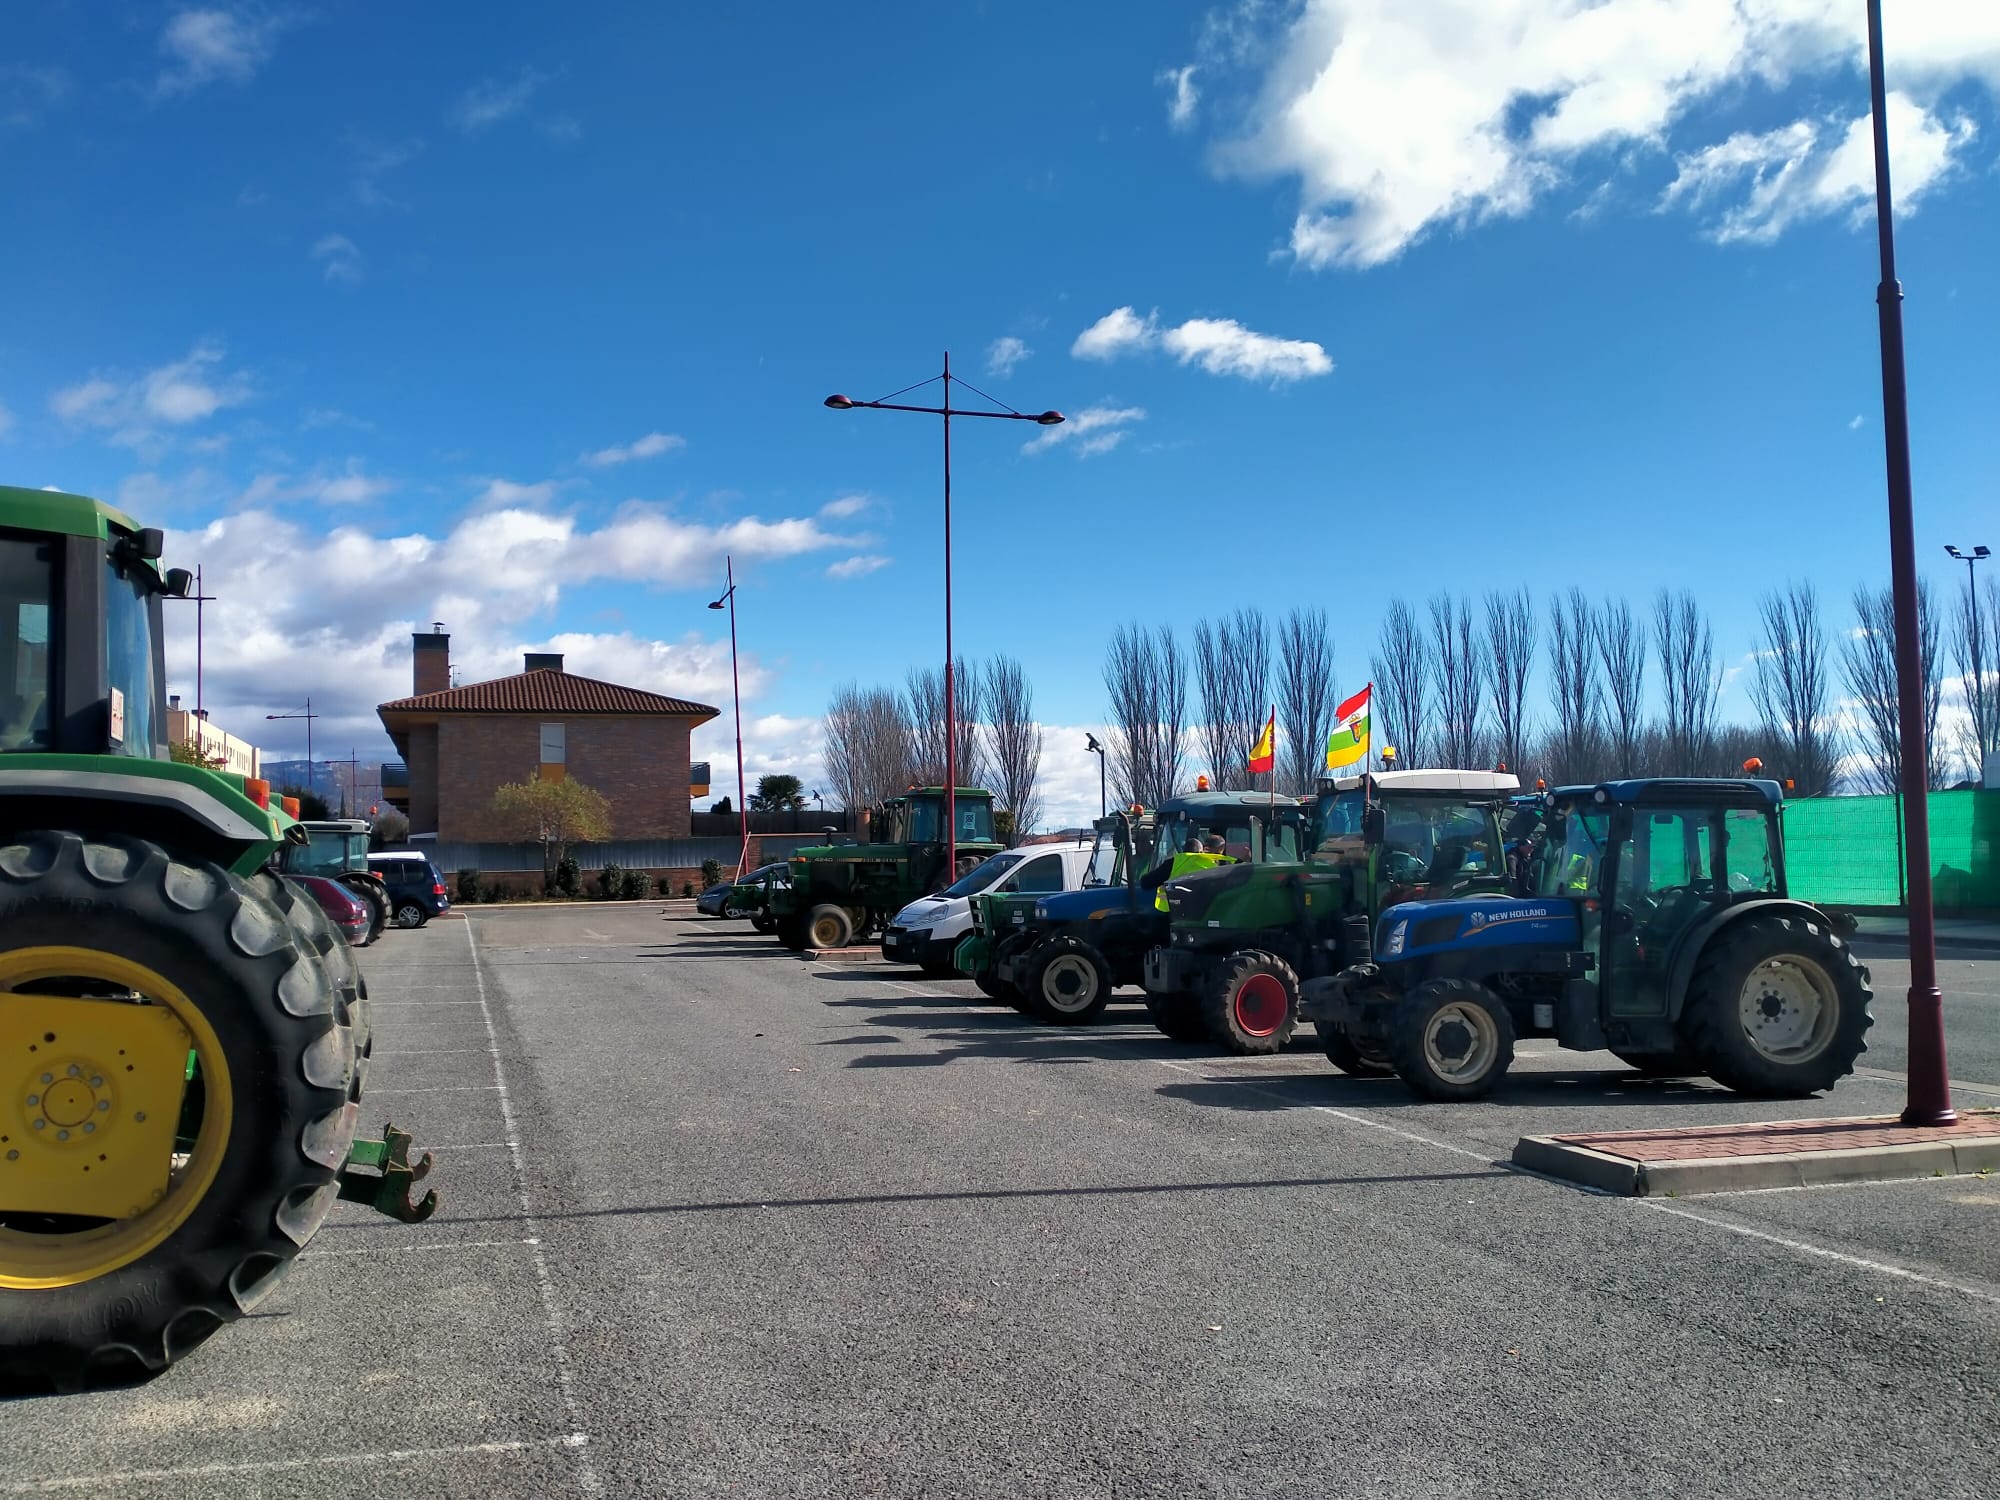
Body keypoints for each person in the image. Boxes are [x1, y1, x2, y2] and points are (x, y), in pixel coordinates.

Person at [1141, 831, 1238, 912]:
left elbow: (1145, 883)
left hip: (1175, 912)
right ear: (1202, 851)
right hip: (1203, 914)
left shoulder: (1172, 863)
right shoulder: (1213, 867)